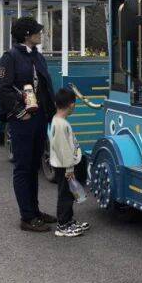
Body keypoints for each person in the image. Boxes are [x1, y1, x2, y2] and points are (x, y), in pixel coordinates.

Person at [0, 17, 57, 233]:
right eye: (37, 32)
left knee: (34, 166)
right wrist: (19, 112)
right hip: (22, 120)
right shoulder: (10, 57)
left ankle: (35, 211)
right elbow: (2, 88)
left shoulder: (37, 56)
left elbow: (45, 87)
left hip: (39, 118)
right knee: (23, 168)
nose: (41, 35)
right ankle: (27, 217)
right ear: (26, 35)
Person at [48, 87, 90, 238]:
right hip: (65, 166)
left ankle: (69, 221)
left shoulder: (58, 121)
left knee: (69, 193)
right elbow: (64, 149)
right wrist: (69, 168)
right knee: (65, 194)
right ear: (72, 105)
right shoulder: (61, 125)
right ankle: (63, 225)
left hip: (64, 165)